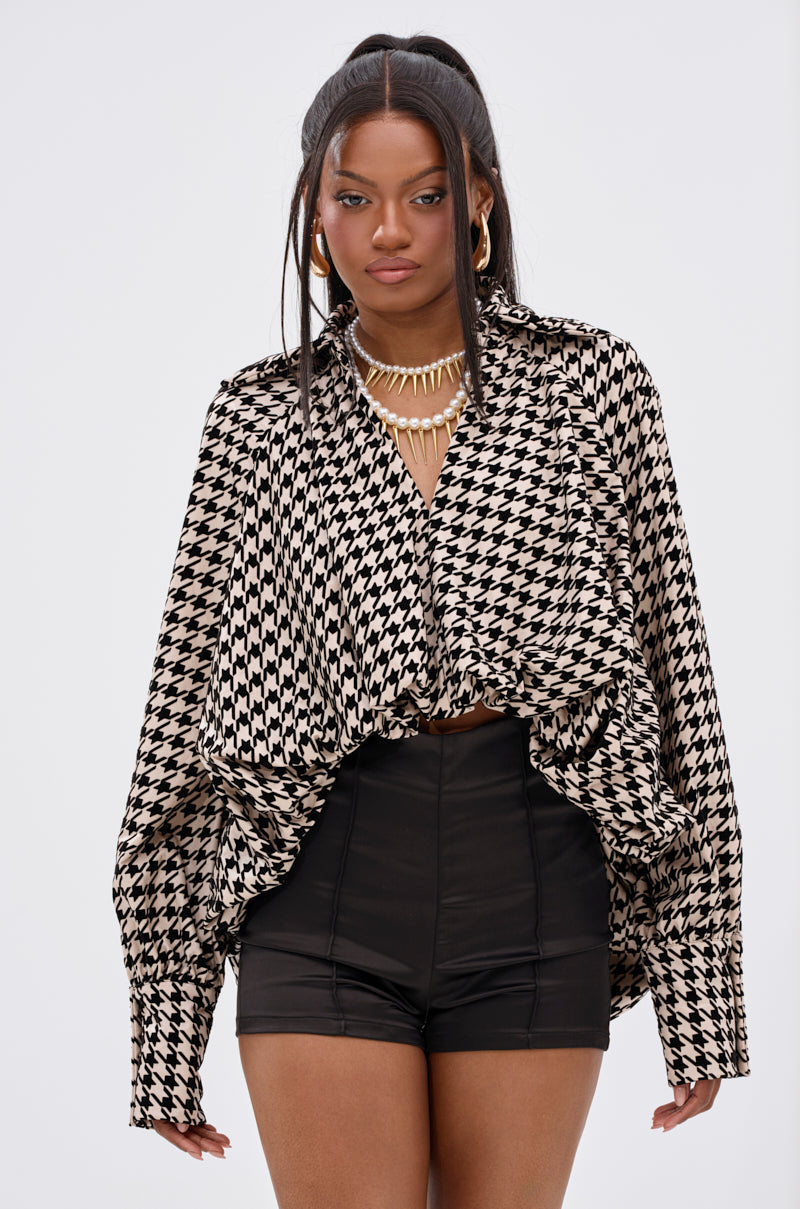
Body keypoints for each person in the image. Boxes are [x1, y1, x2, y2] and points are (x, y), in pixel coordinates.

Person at [112, 32, 750, 1208]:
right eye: (354, 198)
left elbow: (677, 682)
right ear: (315, 215)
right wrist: (165, 1022)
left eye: (425, 195)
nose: (389, 231)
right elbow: (181, 713)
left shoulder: (588, 386)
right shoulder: (258, 420)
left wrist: (700, 995)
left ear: (479, 204)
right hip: (321, 882)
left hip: (534, 876)